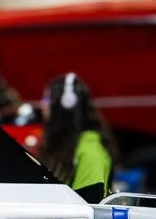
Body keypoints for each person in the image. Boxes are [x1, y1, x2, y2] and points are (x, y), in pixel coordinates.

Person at [39, 72, 117, 201]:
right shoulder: (65, 146)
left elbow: (88, 206)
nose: (42, 105)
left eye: (46, 100)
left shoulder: (90, 151)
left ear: (65, 105)